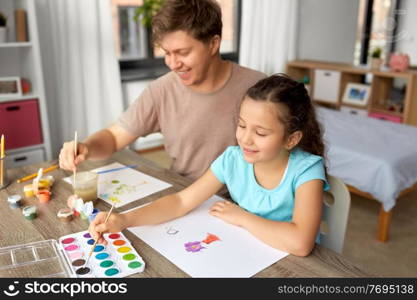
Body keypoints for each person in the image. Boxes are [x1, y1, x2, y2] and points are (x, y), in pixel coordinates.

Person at [89, 74, 330, 257]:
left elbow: (301, 243)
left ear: (291, 139)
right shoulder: (233, 159)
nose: (246, 138)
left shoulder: (307, 171)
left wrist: (242, 217)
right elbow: (182, 201)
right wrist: (124, 220)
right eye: (242, 125)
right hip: (247, 251)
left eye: (261, 132)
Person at [58, 0, 265, 180]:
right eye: (166, 53)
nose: (173, 63)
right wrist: (87, 147)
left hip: (240, 202)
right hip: (183, 194)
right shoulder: (161, 90)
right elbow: (113, 137)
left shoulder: (258, 87)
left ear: (213, 44)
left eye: (182, 52)